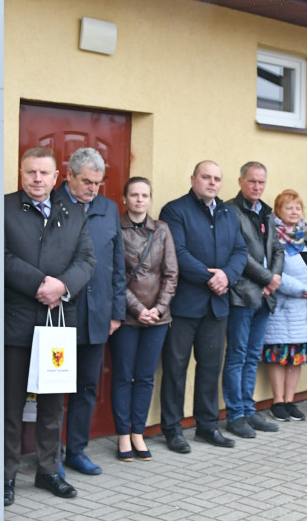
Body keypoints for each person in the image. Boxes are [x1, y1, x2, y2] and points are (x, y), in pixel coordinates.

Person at [3, 147, 94, 502]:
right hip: (16, 322)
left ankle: (48, 470)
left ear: (56, 177)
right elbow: (0, 256)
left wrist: (63, 286)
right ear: (21, 174)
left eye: (44, 173)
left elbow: (87, 259)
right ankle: (6, 475)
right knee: (10, 404)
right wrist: (40, 283)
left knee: (53, 403)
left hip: (58, 323)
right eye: (31, 173)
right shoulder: (4, 208)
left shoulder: (74, 212)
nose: (37, 179)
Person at [158, 160, 248, 453]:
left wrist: (228, 276)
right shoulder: (175, 210)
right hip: (185, 305)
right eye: (206, 177)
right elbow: (177, 253)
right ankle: (172, 429)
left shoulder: (227, 212)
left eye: (217, 178)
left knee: (210, 369)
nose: (212, 182)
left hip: (216, 306)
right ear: (193, 178)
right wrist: (211, 277)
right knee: (176, 369)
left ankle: (207, 427)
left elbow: (240, 250)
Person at [57, 148, 125, 477]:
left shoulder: (108, 209)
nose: (92, 188)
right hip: (58, 317)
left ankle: (77, 450)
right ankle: (49, 453)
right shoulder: (52, 205)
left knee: (86, 387)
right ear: (68, 175)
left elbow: (117, 265)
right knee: (53, 389)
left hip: (97, 315)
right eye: (86, 181)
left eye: (98, 183)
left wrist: (116, 312)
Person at [110, 177, 177, 462]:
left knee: (146, 377)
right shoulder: (115, 229)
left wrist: (159, 310)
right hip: (126, 316)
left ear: (150, 199)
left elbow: (171, 274)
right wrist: (139, 309)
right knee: (124, 376)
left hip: (158, 319)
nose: (139, 199)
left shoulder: (161, 229)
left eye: (144, 195)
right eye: (134, 195)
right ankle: (123, 434)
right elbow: (114, 276)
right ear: (124, 198)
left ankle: (138, 432)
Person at [222, 162, 284, 439]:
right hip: (242, 294)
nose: (257, 187)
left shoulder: (267, 212)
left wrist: (275, 278)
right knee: (236, 356)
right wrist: (266, 278)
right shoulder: (230, 211)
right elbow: (237, 252)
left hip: (265, 295)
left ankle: (248, 409)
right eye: (252, 182)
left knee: (251, 356)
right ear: (240, 182)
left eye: (261, 182)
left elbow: (278, 249)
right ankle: (235, 414)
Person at [262, 189, 307, 422]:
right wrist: (299, 288)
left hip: (304, 308)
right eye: (288, 208)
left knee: (296, 357)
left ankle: (291, 400)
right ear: (278, 211)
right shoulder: (272, 236)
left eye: (297, 207)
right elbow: (272, 269)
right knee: (279, 355)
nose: (294, 212)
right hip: (282, 305)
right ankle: (278, 402)